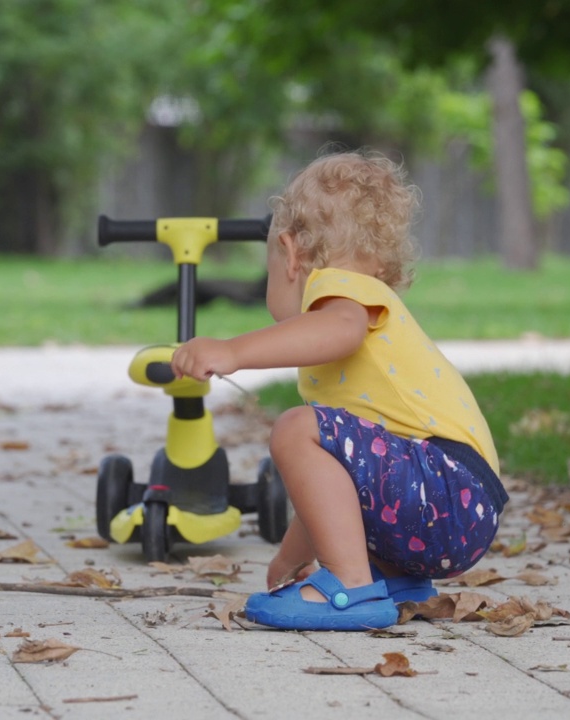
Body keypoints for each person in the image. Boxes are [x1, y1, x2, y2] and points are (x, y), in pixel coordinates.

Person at [171, 151, 509, 631]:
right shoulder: (361, 303)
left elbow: (340, 329)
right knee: (322, 440)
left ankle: (351, 586)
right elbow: (336, 482)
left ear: (290, 253)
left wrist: (233, 351)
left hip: (446, 486)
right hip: (459, 506)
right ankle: (394, 578)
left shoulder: (342, 291)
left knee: (296, 428)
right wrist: (290, 560)